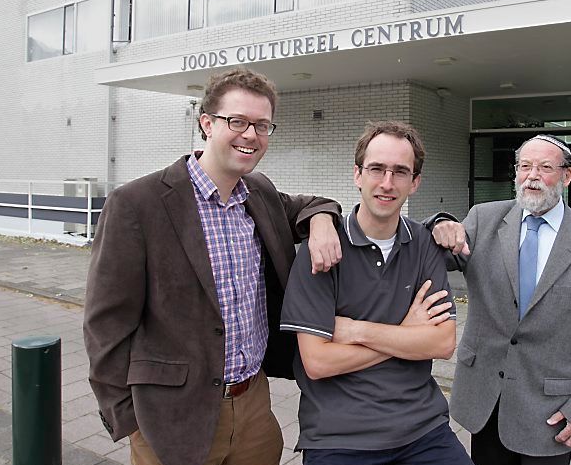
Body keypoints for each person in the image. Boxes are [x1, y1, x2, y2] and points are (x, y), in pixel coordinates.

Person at [83, 67, 343, 465]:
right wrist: (128, 419)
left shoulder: (261, 194)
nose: (251, 135)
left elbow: (313, 204)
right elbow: (106, 323)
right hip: (172, 419)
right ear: (206, 123)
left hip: (254, 405)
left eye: (262, 125)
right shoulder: (137, 204)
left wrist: (322, 221)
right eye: (236, 121)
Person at [280, 121, 472, 465]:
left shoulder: (425, 244)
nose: (387, 183)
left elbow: (441, 344)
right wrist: (406, 335)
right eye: (377, 169)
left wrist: (356, 330)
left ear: (415, 182)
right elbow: (318, 362)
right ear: (357, 174)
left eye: (400, 172)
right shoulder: (322, 249)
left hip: (423, 431)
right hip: (339, 437)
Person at [430, 134, 571, 465]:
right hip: (486, 401)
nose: (532, 176)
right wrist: (438, 224)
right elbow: (426, 254)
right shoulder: (483, 219)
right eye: (524, 166)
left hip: (550, 413)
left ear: (566, 175)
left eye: (545, 167)